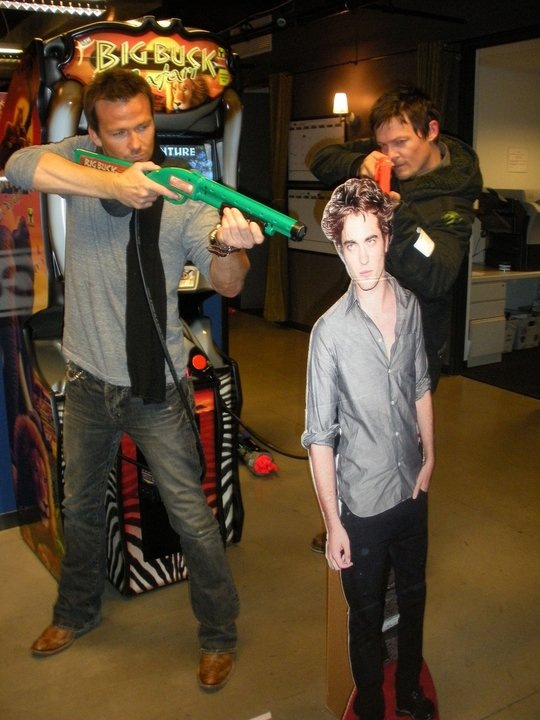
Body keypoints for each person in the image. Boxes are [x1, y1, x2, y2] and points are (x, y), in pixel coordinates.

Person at [6, 68, 265, 691]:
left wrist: (229, 248)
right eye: (120, 132)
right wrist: (114, 183)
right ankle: (75, 612)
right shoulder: (82, 161)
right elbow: (18, 166)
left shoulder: (184, 194)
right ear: (95, 135)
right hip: (87, 381)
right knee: (80, 510)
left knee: (192, 517)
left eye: (144, 126)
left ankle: (218, 633)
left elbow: (229, 284)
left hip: (156, 388)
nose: (137, 142)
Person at [309, 82, 482, 553]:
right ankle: (349, 521)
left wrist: (398, 220)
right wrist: (361, 165)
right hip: (363, 328)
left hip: (412, 342)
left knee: (402, 446)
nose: (391, 154)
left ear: (431, 131)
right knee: (352, 436)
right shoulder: (385, 155)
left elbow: (440, 273)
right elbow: (320, 158)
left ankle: (391, 543)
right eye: (383, 145)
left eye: (401, 142)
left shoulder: (455, 194)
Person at [302, 177, 435, 720]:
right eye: (349, 245)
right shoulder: (328, 333)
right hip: (362, 505)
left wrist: (430, 458)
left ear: (387, 239)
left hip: (412, 491)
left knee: (414, 601)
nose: (362, 258)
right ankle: (374, 708)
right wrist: (333, 523)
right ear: (339, 249)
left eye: (371, 241)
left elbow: (420, 384)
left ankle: (408, 691)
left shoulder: (410, 306)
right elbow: (319, 436)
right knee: (365, 617)